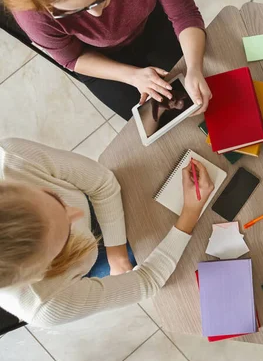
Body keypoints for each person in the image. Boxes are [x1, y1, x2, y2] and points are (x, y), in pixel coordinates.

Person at [0, 138, 214, 326]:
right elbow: (147, 281)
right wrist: (191, 213)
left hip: (97, 199)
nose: (75, 214)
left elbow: (102, 184)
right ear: (40, 272)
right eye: (66, 235)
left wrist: (118, 255)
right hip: (83, 267)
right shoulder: (46, 305)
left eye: (55, 197)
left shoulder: (12, 158)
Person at [2, 0, 212, 120]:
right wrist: (132, 76)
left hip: (151, 23)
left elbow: (184, 14)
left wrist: (194, 67)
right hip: (97, 59)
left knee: (206, 82)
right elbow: (72, 58)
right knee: (154, 122)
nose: (97, 14)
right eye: (75, 11)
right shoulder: (33, 14)